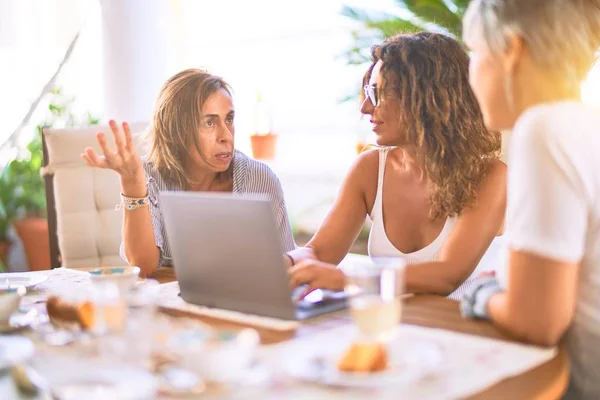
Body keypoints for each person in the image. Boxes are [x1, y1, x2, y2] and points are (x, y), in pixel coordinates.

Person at [287, 32, 506, 299]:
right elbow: (319, 253)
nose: (365, 108)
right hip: (394, 327)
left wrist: (346, 279)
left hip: (461, 331)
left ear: (425, 98)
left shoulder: (490, 177)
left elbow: (446, 275)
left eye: (377, 93)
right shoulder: (369, 169)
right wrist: (289, 262)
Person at [458, 0, 600, 398]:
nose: (472, 73)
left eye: (477, 53)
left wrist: (482, 296)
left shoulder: (544, 129)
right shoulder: (586, 124)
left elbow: (538, 321)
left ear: (512, 51)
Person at [82, 69, 296, 276]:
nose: (226, 136)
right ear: (177, 131)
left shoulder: (258, 179)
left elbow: (288, 268)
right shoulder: (150, 176)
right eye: (210, 122)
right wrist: (132, 183)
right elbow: (143, 265)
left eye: (229, 119)